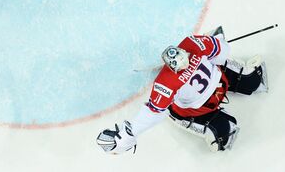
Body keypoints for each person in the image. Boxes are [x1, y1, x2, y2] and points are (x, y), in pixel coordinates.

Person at [96, 27, 268, 153]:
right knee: (227, 128)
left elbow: (153, 113)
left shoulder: (165, 81)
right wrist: (216, 42)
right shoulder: (191, 45)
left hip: (208, 96)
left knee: (252, 84)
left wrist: (128, 134)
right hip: (208, 97)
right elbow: (222, 51)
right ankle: (182, 118)